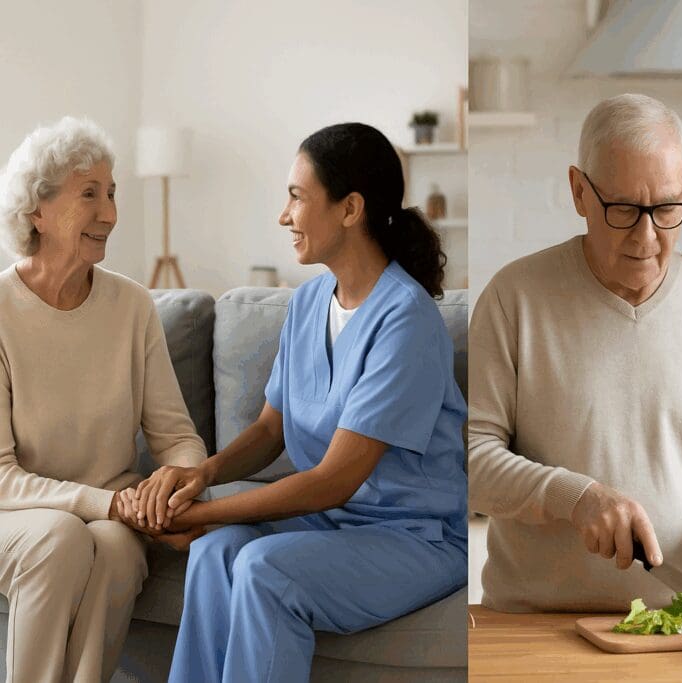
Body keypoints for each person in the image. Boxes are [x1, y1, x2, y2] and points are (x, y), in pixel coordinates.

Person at [117, 122, 468, 682]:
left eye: (296, 197)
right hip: (329, 524)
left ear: (350, 208)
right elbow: (269, 428)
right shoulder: (305, 305)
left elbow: (334, 480)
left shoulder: (407, 321)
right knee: (211, 555)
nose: (284, 215)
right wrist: (200, 474)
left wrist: (200, 513)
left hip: (415, 538)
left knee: (263, 569)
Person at [468, 94, 682, 613]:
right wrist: (574, 497)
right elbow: (471, 462)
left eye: (666, 208)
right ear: (578, 191)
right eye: (622, 210)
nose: (646, 236)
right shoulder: (513, 299)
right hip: (535, 624)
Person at [0, 117, 207, 683]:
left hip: (112, 515)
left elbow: (177, 437)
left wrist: (180, 483)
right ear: (36, 211)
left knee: (116, 549)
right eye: (89, 194)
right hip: (14, 515)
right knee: (59, 537)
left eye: (112, 193)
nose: (110, 213)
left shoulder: (133, 306)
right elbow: (0, 476)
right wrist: (109, 503)